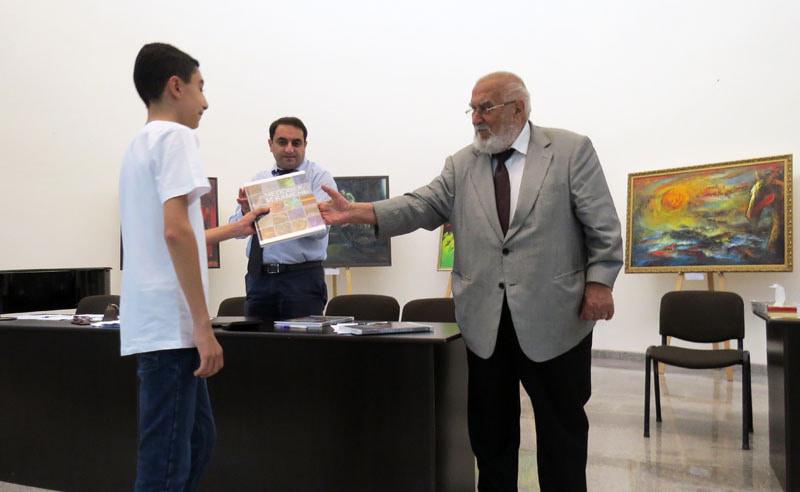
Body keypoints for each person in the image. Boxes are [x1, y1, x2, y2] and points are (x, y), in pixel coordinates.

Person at [318, 71, 623, 491]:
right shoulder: (462, 164)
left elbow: (603, 224)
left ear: (518, 107)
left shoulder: (571, 150)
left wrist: (600, 282)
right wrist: (357, 212)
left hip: (556, 318)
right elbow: (421, 205)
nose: (476, 118)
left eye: (486, 108)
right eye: (473, 109)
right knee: (490, 435)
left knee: (562, 432)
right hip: (485, 323)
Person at [119, 42, 268, 491]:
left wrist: (234, 229)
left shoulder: (139, 145)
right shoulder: (176, 137)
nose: (206, 101)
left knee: (198, 440)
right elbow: (176, 233)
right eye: (200, 87)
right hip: (173, 326)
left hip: (156, 323)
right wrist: (203, 327)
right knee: (164, 464)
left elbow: (171, 234)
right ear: (175, 86)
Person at [229, 117, 337, 321]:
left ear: (305, 145)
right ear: (270, 144)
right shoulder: (259, 179)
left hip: (301, 279)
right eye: (282, 142)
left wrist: (281, 207)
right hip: (259, 278)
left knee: (301, 341)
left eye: (296, 143)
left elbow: (320, 229)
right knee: (257, 339)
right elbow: (236, 230)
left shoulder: (319, 177)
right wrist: (245, 213)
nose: (289, 149)